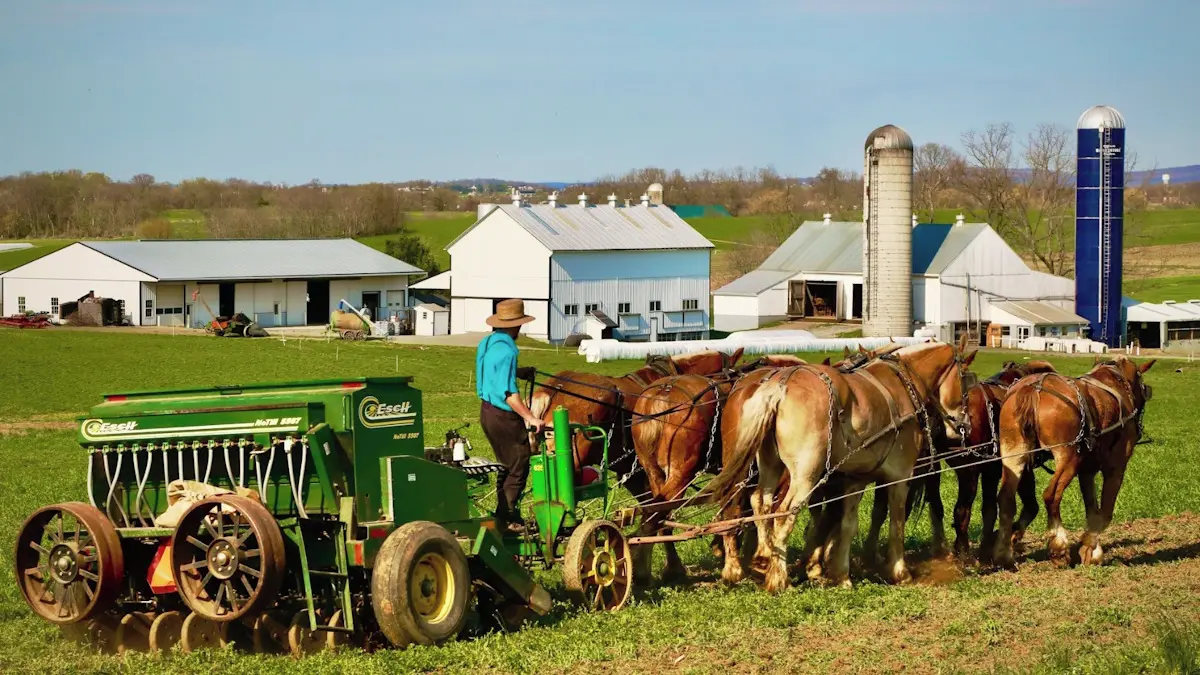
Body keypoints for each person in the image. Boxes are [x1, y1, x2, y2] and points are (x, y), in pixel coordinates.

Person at [475, 299, 545, 533]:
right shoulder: (507, 350)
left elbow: (494, 372)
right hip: (503, 416)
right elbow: (508, 395)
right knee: (519, 462)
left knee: (505, 463)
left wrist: (520, 372)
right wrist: (531, 418)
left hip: (486, 412)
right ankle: (509, 517)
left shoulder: (487, 343)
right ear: (516, 325)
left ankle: (502, 512)